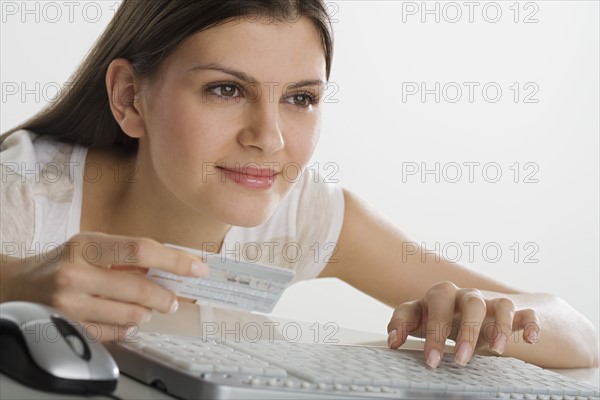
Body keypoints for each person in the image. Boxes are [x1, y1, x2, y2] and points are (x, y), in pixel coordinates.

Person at [0, 0, 597, 369]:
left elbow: (578, 334)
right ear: (131, 98)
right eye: (226, 89)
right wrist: (16, 287)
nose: (271, 138)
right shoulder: (27, 186)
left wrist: (483, 317)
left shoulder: (303, 214)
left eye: (300, 99)